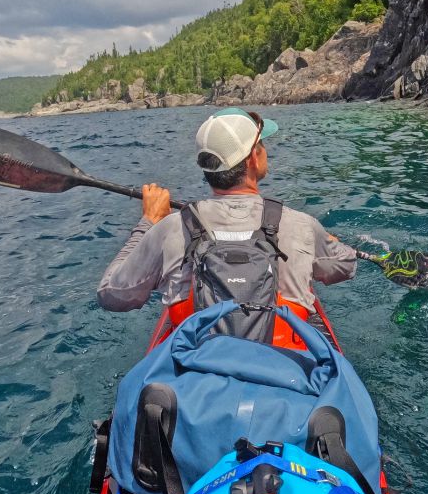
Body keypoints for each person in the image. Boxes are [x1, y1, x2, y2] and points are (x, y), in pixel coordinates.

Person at [97, 108, 356, 336]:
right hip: (285, 367)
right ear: (254, 157)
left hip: (198, 371)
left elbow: (111, 295)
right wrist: (330, 242)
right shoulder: (301, 226)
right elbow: (345, 267)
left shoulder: (170, 229)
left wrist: (148, 222)